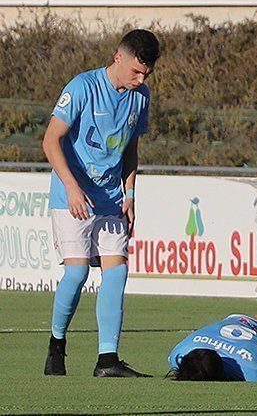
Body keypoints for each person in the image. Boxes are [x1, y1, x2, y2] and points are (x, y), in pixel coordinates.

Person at [43, 29, 160, 378]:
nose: (139, 80)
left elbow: (130, 148)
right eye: (135, 72)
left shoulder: (141, 97)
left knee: (117, 270)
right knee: (77, 273)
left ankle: (107, 360)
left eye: (146, 75)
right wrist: (72, 186)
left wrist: (131, 194)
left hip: (111, 198)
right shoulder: (82, 87)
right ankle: (56, 345)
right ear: (117, 57)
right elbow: (51, 141)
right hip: (72, 196)